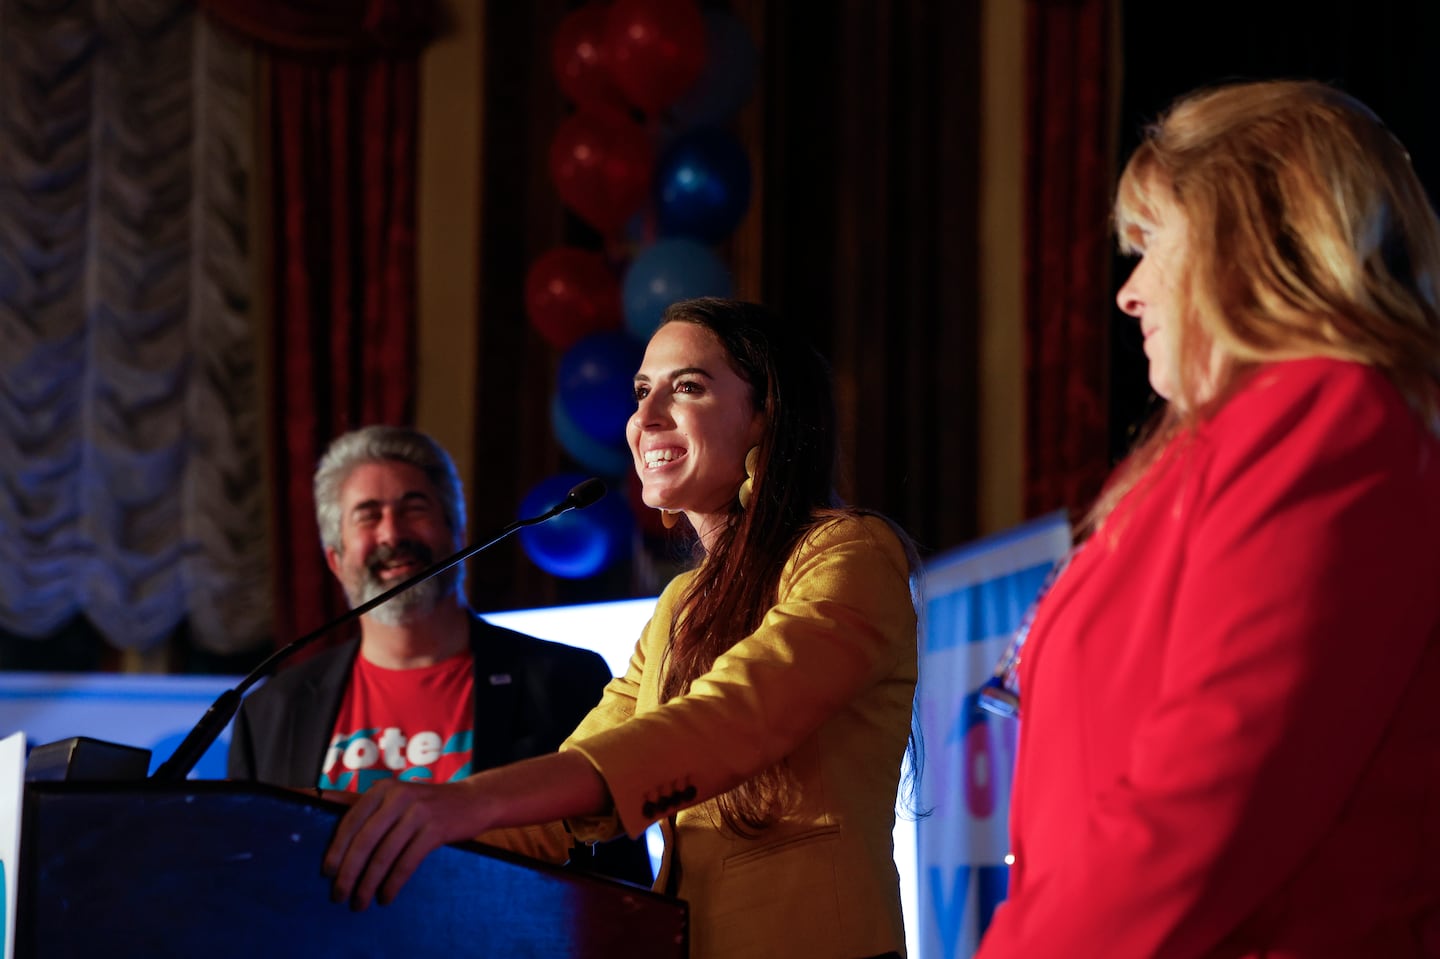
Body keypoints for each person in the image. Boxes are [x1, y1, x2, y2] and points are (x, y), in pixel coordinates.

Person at [976, 80, 1440, 957]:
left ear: (1247, 237)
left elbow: (1207, 793)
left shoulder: (1328, 417)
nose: (1129, 292)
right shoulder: (1210, 451)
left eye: (1150, 246)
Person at [321, 299, 921, 959]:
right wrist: (343, 823)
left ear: (765, 414)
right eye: (641, 392)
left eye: (686, 386)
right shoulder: (680, 603)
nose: (645, 417)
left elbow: (731, 718)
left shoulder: (851, 553)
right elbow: (565, 798)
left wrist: (467, 800)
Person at [226, 425, 652, 885]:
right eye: (368, 516)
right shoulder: (271, 711)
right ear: (335, 558)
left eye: (414, 508)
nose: (393, 532)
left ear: (456, 531)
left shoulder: (566, 680)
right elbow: (243, 876)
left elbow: (619, 887)